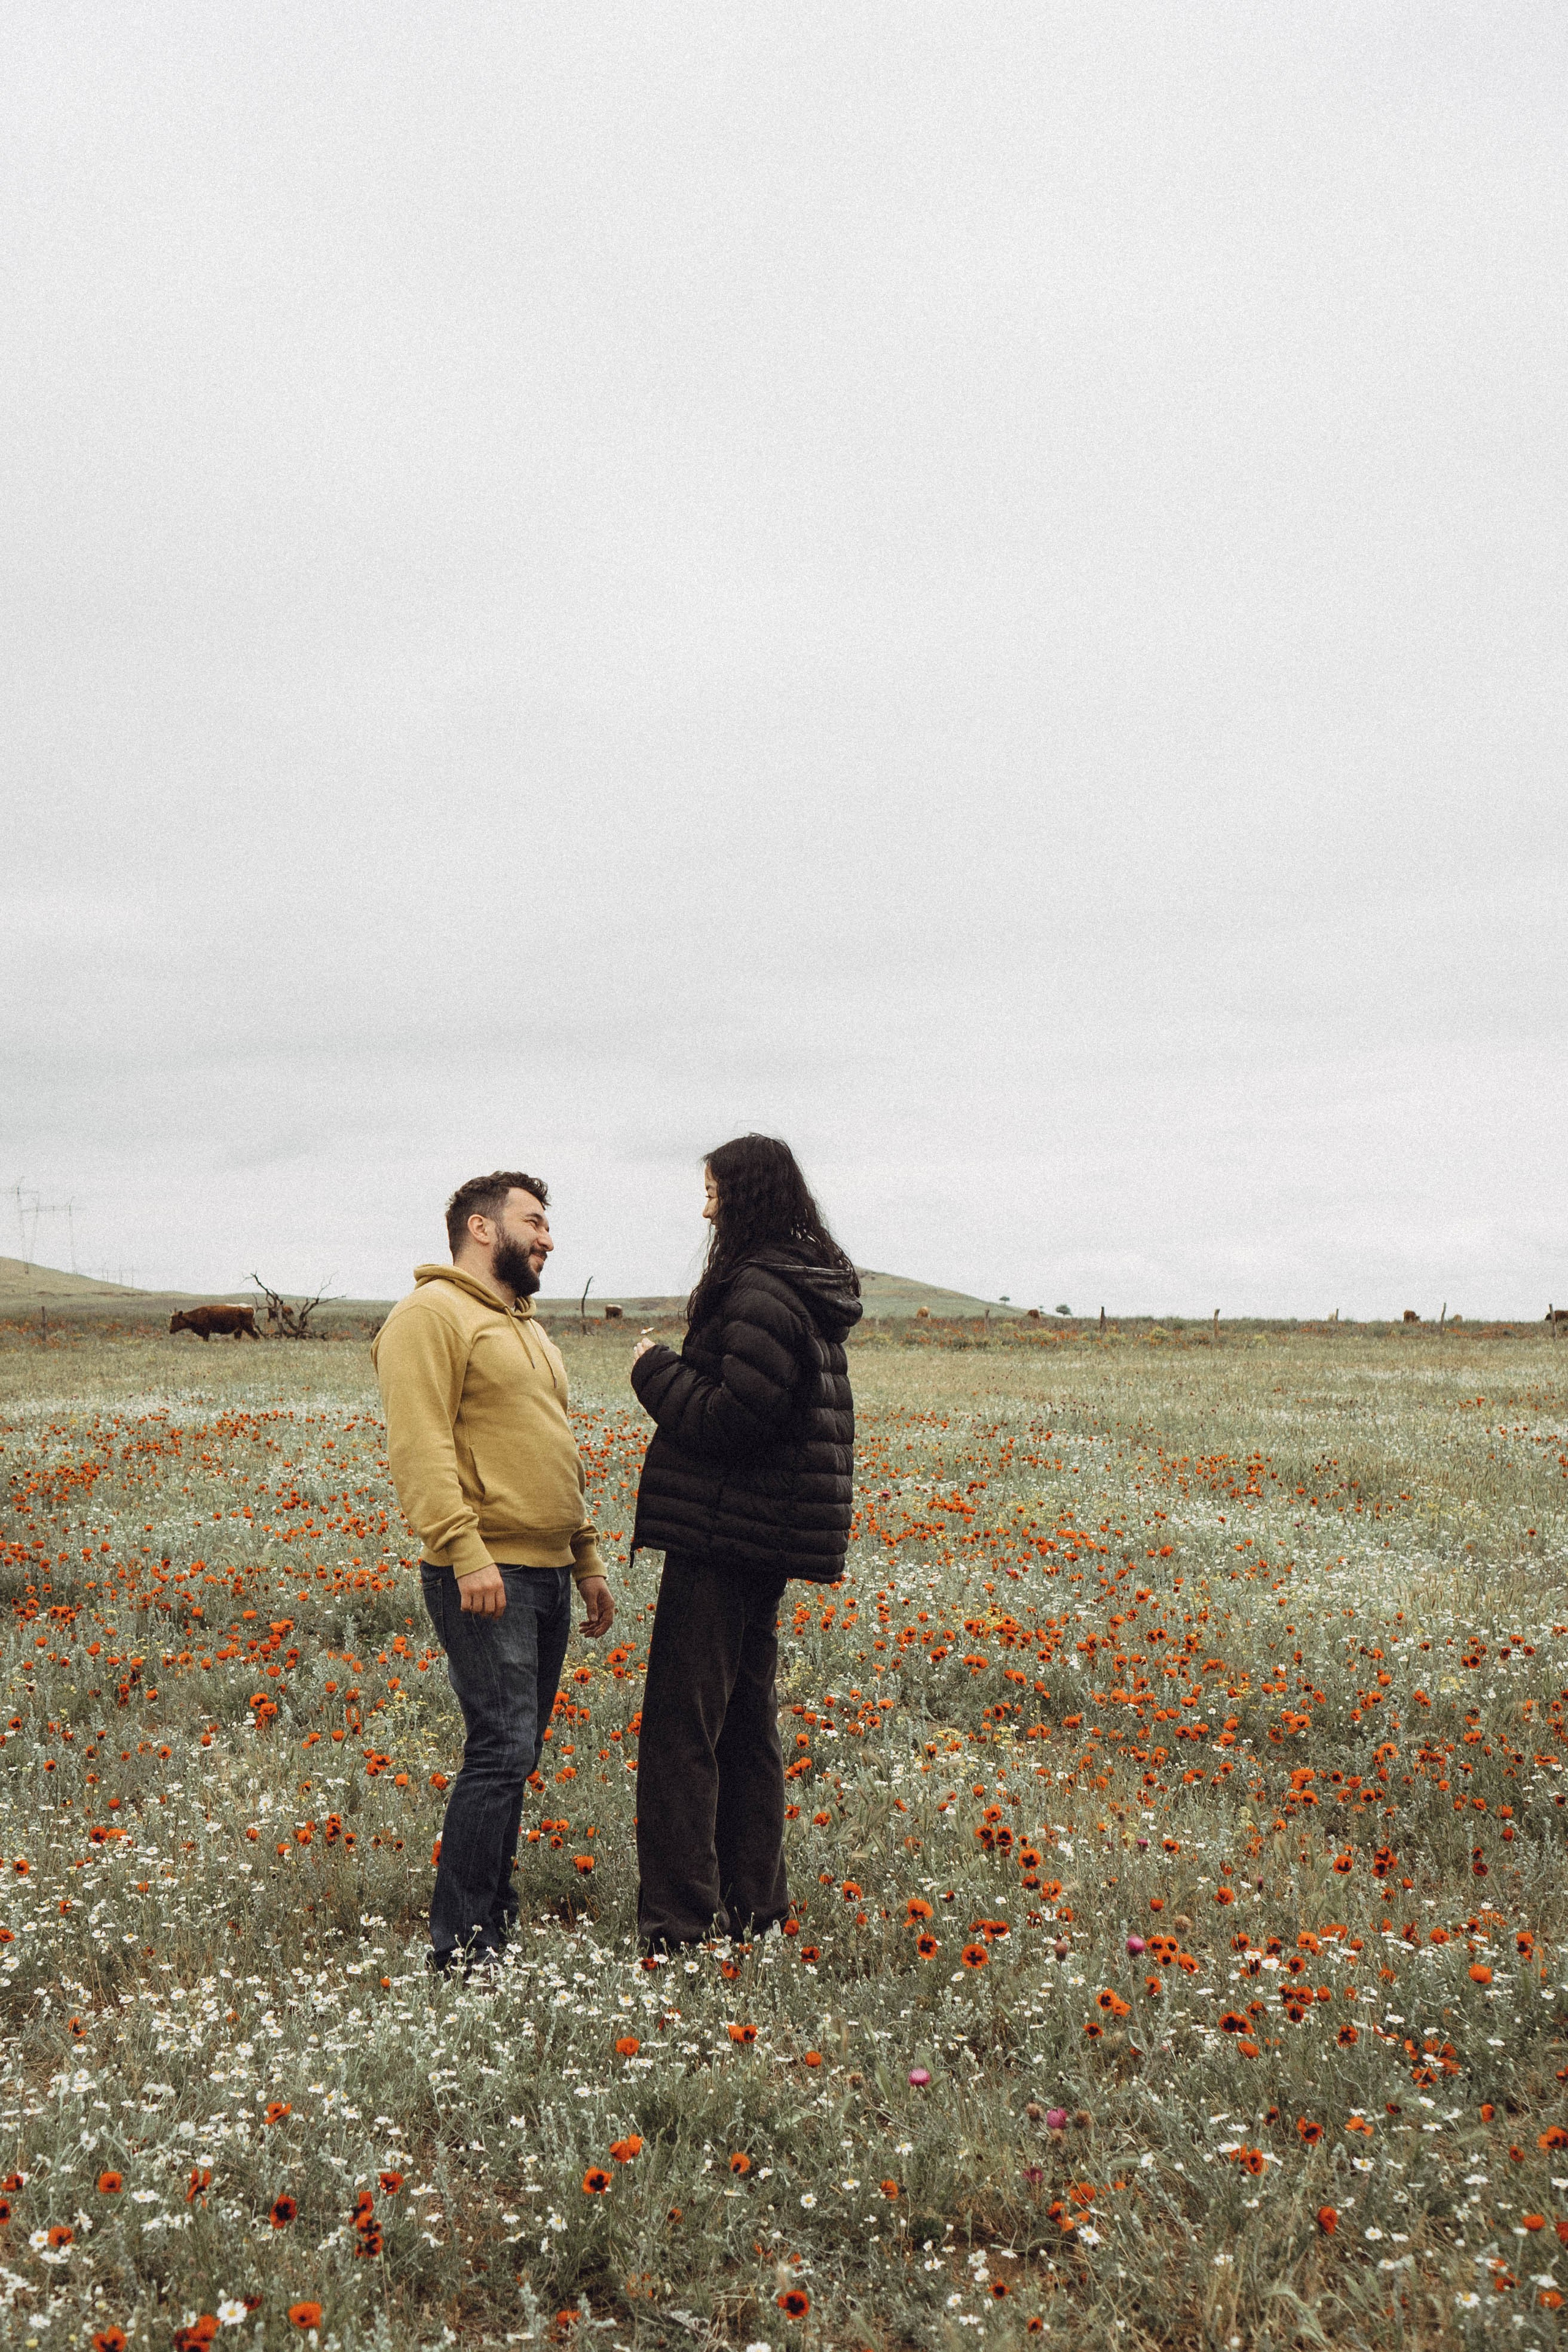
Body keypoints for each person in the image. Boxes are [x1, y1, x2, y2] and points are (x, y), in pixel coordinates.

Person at [372, 1170, 614, 1974]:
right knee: (501, 1750)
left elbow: (554, 1448)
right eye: (534, 1222)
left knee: (517, 1753)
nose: (548, 1238)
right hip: (487, 1571)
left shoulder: (527, 1329)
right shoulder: (429, 1317)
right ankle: (465, 1947)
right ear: (482, 1228)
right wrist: (464, 1551)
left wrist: (586, 1561)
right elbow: (421, 1446)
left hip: (544, 1571)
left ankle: (491, 1925)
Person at [628, 1134, 861, 1948]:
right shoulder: (801, 1282)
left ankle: (678, 1923)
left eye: (714, 1192)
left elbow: (732, 1417)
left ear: (747, 1195)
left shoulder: (761, 1288)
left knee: (682, 1732)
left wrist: (653, 1370)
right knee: (742, 1726)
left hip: (725, 1532)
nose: (705, 1208)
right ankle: (755, 1910)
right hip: (759, 1535)